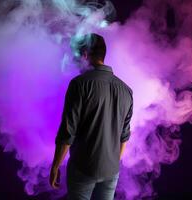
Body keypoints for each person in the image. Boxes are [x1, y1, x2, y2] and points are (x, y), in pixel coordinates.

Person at [49, 33, 133, 200]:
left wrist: (55, 165)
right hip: (111, 170)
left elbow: (68, 132)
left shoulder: (79, 84)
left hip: (83, 168)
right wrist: (111, 163)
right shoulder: (126, 90)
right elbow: (124, 136)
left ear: (85, 55)